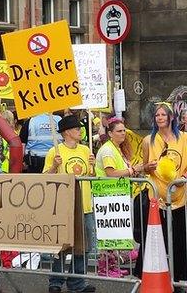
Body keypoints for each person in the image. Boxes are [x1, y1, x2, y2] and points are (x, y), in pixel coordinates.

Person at [136, 102, 187, 289]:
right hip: (156, 197)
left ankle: (179, 280)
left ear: (171, 117)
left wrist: (183, 177)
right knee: (156, 239)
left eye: (163, 115)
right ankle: (148, 278)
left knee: (179, 242)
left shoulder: (184, 139)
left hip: (179, 198)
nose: (159, 118)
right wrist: (148, 168)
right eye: (157, 115)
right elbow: (145, 168)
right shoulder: (148, 141)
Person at [43, 115, 96, 293]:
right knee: (61, 246)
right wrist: (53, 166)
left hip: (85, 205)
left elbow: (92, 177)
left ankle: (77, 283)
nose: (80, 131)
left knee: (83, 247)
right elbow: (44, 178)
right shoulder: (55, 152)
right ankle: (55, 282)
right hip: (63, 207)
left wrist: (93, 167)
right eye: (76, 129)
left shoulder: (85, 150)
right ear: (66, 132)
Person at [94, 117, 143, 278]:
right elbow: (110, 172)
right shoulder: (108, 150)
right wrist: (132, 170)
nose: (123, 134)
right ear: (110, 133)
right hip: (107, 195)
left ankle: (112, 265)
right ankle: (104, 267)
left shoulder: (117, 148)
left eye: (124, 130)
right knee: (108, 233)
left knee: (113, 232)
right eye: (119, 131)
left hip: (115, 195)